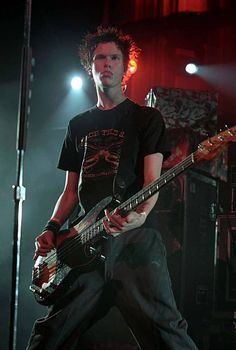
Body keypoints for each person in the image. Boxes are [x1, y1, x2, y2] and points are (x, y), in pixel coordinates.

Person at [27, 26, 198, 350]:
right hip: (82, 243)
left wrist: (140, 216)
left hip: (133, 240)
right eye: (100, 58)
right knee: (50, 335)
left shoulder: (146, 118)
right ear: (89, 66)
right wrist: (51, 227)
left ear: (126, 67)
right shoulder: (79, 125)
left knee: (167, 332)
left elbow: (152, 181)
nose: (106, 63)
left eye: (114, 58)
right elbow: (70, 191)